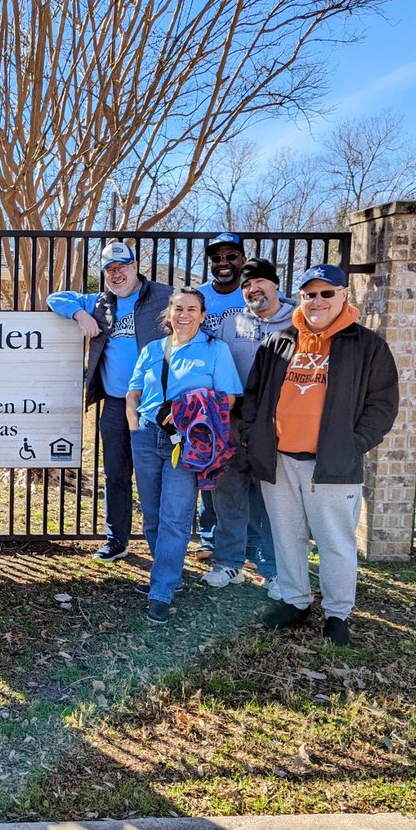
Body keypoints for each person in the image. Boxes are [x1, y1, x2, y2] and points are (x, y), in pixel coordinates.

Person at [238, 265, 399, 646]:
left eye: (327, 293)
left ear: (344, 294)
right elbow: (254, 395)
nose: (318, 301)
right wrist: (251, 434)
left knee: (335, 542)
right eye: (310, 294)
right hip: (278, 460)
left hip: (332, 464)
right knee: (286, 537)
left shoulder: (367, 345)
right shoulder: (280, 341)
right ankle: (295, 602)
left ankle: (337, 612)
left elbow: (383, 404)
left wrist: (353, 442)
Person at [47, 242, 172, 562]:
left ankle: (162, 547)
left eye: (122, 267)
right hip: (116, 404)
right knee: (116, 474)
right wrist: (78, 314)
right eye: (109, 270)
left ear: (135, 266)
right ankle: (117, 540)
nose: (117, 274)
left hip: (156, 404)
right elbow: (55, 298)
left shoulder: (163, 296)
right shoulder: (99, 302)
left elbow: (196, 309)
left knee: (155, 478)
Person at [126, 288, 242, 624]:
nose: (184, 315)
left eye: (192, 309)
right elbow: (133, 391)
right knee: (151, 516)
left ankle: (161, 591)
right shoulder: (152, 350)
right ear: (169, 312)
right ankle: (169, 576)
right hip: (147, 437)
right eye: (179, 308)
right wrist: (134, 424)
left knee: (175, 517)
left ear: (203, 315)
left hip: (186, 442)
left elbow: (229, 399)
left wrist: (189, 412)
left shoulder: (215, 350)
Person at [205, 258, 295, 593]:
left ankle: (274, 570)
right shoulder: (231, 324)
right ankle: (229, 564)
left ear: (275, 284)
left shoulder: (298, 321)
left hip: (278, 421)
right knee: (228, 495)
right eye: (246, 285)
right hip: (234, 419)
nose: (252, 289)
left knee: (272, 500)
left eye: (259, 281)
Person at [192, 231, 249, 561]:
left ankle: (248, 539)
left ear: (242, 260)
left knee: (245, 472)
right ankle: (209, 538)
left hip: (249, 397)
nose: (224, 263)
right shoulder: (198, 296)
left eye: (231, 256)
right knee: (209, 468)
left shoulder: (253, 293)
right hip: (207, 403)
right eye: (217, 258)